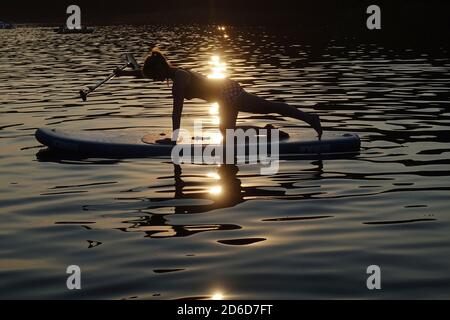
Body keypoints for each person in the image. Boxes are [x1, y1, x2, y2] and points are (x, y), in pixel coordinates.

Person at [115, 49, 322, 143]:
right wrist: (123, 73)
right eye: (152, 78)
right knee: (227, 133)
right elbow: (144, 73)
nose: (154, 80)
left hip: (227, 92)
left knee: (269, 106)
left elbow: (177, 110)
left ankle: (309, 118)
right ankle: (268, 132)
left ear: (161, 67)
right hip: (222, 95)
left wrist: (175, 137)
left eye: (155, 76)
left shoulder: (178, 79)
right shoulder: (171, 72)